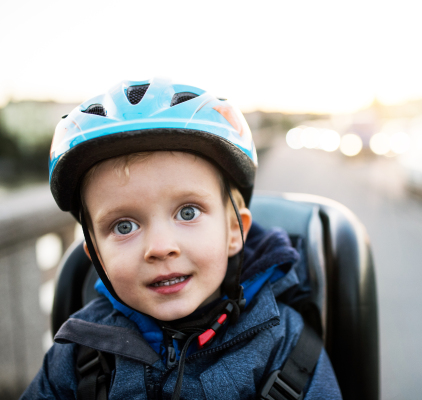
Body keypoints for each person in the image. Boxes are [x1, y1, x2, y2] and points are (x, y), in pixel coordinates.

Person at [22, 78, 342, 399]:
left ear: (234, 231)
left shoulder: (286, 347)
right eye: (124, 226)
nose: (160, 248)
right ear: (96, 254)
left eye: (187, 212)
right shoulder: (78, 353)